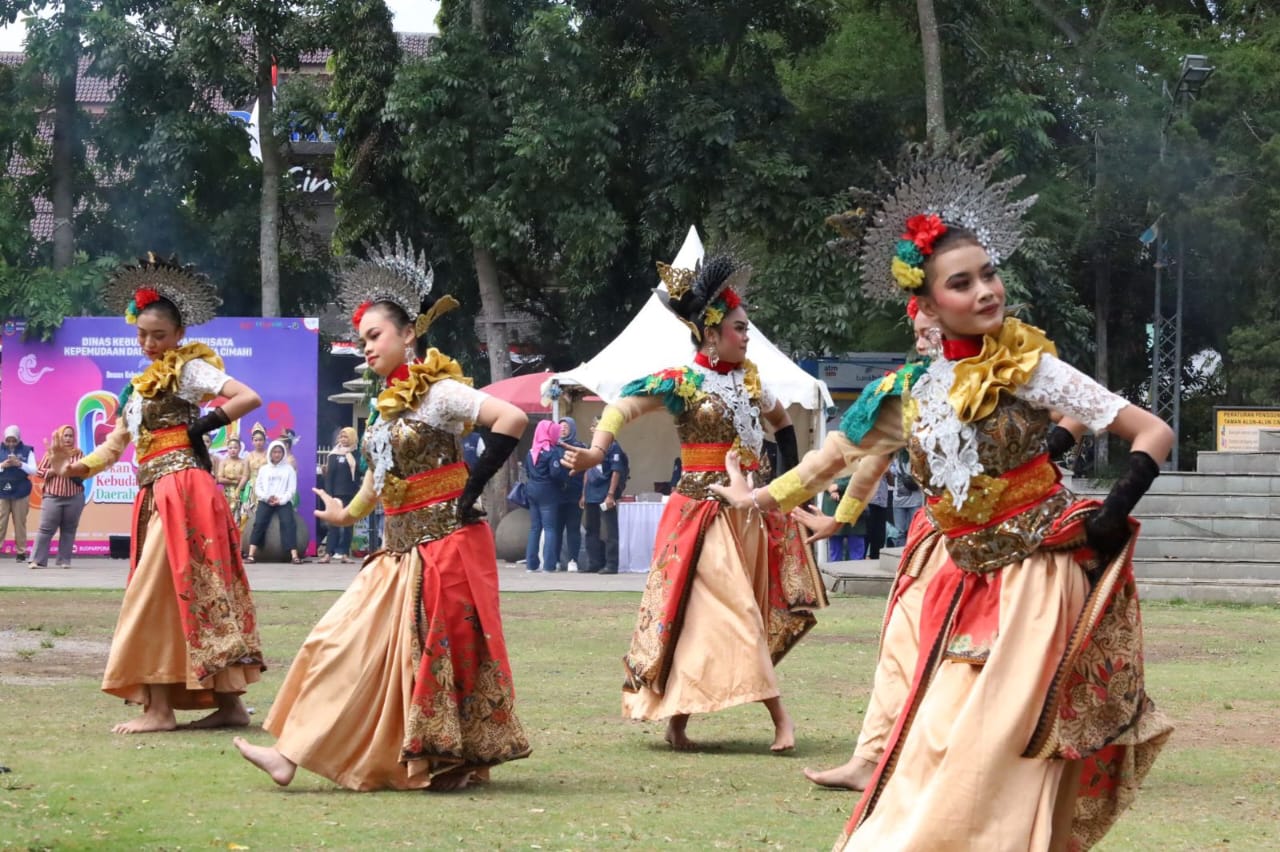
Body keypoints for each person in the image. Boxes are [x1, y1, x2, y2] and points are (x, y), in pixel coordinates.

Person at [714, 147, 1173, 850]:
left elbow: (1150, 431)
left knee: (996, 757)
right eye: (963, 283)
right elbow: (831, 461)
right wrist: (757, 501)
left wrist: (1110, 519)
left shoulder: (1027, 365)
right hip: (962, 580)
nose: (986, 291)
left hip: (1038, 580)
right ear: (925, 307)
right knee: (934, 742)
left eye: (989, 273)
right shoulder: (908, 395)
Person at [233, 236, 530, 792]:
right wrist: (348, 514)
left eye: (375, 336)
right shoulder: (383, 408)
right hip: (397, 553)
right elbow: (380, 476)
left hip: (445, 549)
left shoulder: (440, 393)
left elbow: (511, 419)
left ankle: (446, 759)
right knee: (336, 643)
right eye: (361, 338)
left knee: (436, 661)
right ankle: (289, 753)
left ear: (409, 334)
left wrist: (471, 495)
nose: (365, 347)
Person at [562, 253, 827, 752]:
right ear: (710, 333)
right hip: (698, 514)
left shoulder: (752, 381)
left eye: (747, 329)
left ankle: (678, 721)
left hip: (746, 513)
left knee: (709, 616)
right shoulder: (684, 382)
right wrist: (598, 451)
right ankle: (780, 720)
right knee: (736, 611)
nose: (748, 336)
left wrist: (791, 488)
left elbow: (783, 425)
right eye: (740, 327)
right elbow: (622, 404)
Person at [46, 253, 265, 734]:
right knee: (172, 595)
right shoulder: (137, 389)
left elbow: (247, 397)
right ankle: (228, 705)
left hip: (185, 488)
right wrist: (74, 467)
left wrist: (202, 426)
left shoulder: (190, 370)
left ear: (178, 335)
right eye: (142, 334)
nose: (148, 343)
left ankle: (162, 710)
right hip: (154, 493)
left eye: (159, 335)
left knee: (162, 593)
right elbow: (115, 445)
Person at [29, 425, 85, 569]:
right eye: (65, 435)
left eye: (70, 436)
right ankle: (36, 560)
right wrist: (55, 469)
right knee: (46, 528)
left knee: (69, 529)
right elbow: (39, 472)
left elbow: (84, 473)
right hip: (53, 496)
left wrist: (70, 469)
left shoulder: (79, 454)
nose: (68, 439)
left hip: (74, 496)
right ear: (60, 437)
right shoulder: (52, 453)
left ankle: (64, 561)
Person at [579, 418, 627, 574]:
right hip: (591, 493)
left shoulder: (614, 447)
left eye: (597, 426)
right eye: (593, 426)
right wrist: (583, 494)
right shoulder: (591, 447)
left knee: (609, 530)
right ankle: (594, 562)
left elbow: (616, 471)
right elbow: (587, 470)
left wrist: (611, 494)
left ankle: (611, 564)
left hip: (605, 493)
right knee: (591, 529)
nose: (594, 429)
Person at [246, 440, 300, 564]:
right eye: (274, 452)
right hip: (266, 501)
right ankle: (251, 555)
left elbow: (292, 489)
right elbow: (258, 487)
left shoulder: (289, 469)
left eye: (279, 452)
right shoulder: (264, 469)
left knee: (288, 523)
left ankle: (294, 555)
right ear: (270, 453)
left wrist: (281, 500)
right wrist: (267, 497)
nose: (277, 454)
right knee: (259, 523)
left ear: (283, 453)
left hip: (283, 501)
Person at [523, 419, 566, 573]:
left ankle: (531, 564)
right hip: (548, 492)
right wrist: (564, 480)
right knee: (550, 528)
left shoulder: (531, 451)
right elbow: (555, 473)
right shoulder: (551, 451)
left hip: (532, 490)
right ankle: (549, 565)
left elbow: (527, 472)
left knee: (535, 528)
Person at [321, 426, 360, 563]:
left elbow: (359, 473)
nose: (343, 440)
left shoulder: (356, 454)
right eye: (341, 437)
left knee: (349, 524)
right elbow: (329, 476)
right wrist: (329, 495)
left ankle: (344, 553)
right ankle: (328, 554)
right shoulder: (334, 455)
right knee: (334, 524)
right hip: (336, 494)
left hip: (351, 494)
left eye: (346, 437)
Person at [0, 425, 37, 561]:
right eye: (8, 440)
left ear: (18, 439)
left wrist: (19, 464)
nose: (10, 443)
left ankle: (21, 552)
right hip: (2, 491)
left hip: (21, 491)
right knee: (1, 522)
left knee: (20, 523)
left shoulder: (27, 451)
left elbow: (34, 470)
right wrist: (2, 465)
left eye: (13, 440)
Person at [555, 416, 586, 571]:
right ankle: (556, 560)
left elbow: (587, 471)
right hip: (557, 495)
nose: (563, 429)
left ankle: (573, 560)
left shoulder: (580, 447)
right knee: (556, 528)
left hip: (575, 493)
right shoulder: (554, 447)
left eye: (566, 427)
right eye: (560, 427)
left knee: (573, 529)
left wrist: (583, 494)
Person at [888, 451, 921, 546]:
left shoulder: (915, 457)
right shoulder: (894, 459)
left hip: (914, 501)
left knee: (914, 531)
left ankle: (913, 554)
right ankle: (900, 555)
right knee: (899, 532)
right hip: (898, 501)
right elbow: (891, 481)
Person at [215, 436, 248, 520]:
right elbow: (219, 479)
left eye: (235, 447)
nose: (233, 450)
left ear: (240, 448)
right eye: (230, 448)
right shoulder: (223, 462)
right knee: (226, 518)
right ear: (227, 449)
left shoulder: (244, 462)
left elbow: (245, 477)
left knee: (239, 518)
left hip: (240, 493)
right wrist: (235, 481)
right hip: (226, 493)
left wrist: (238, 489)